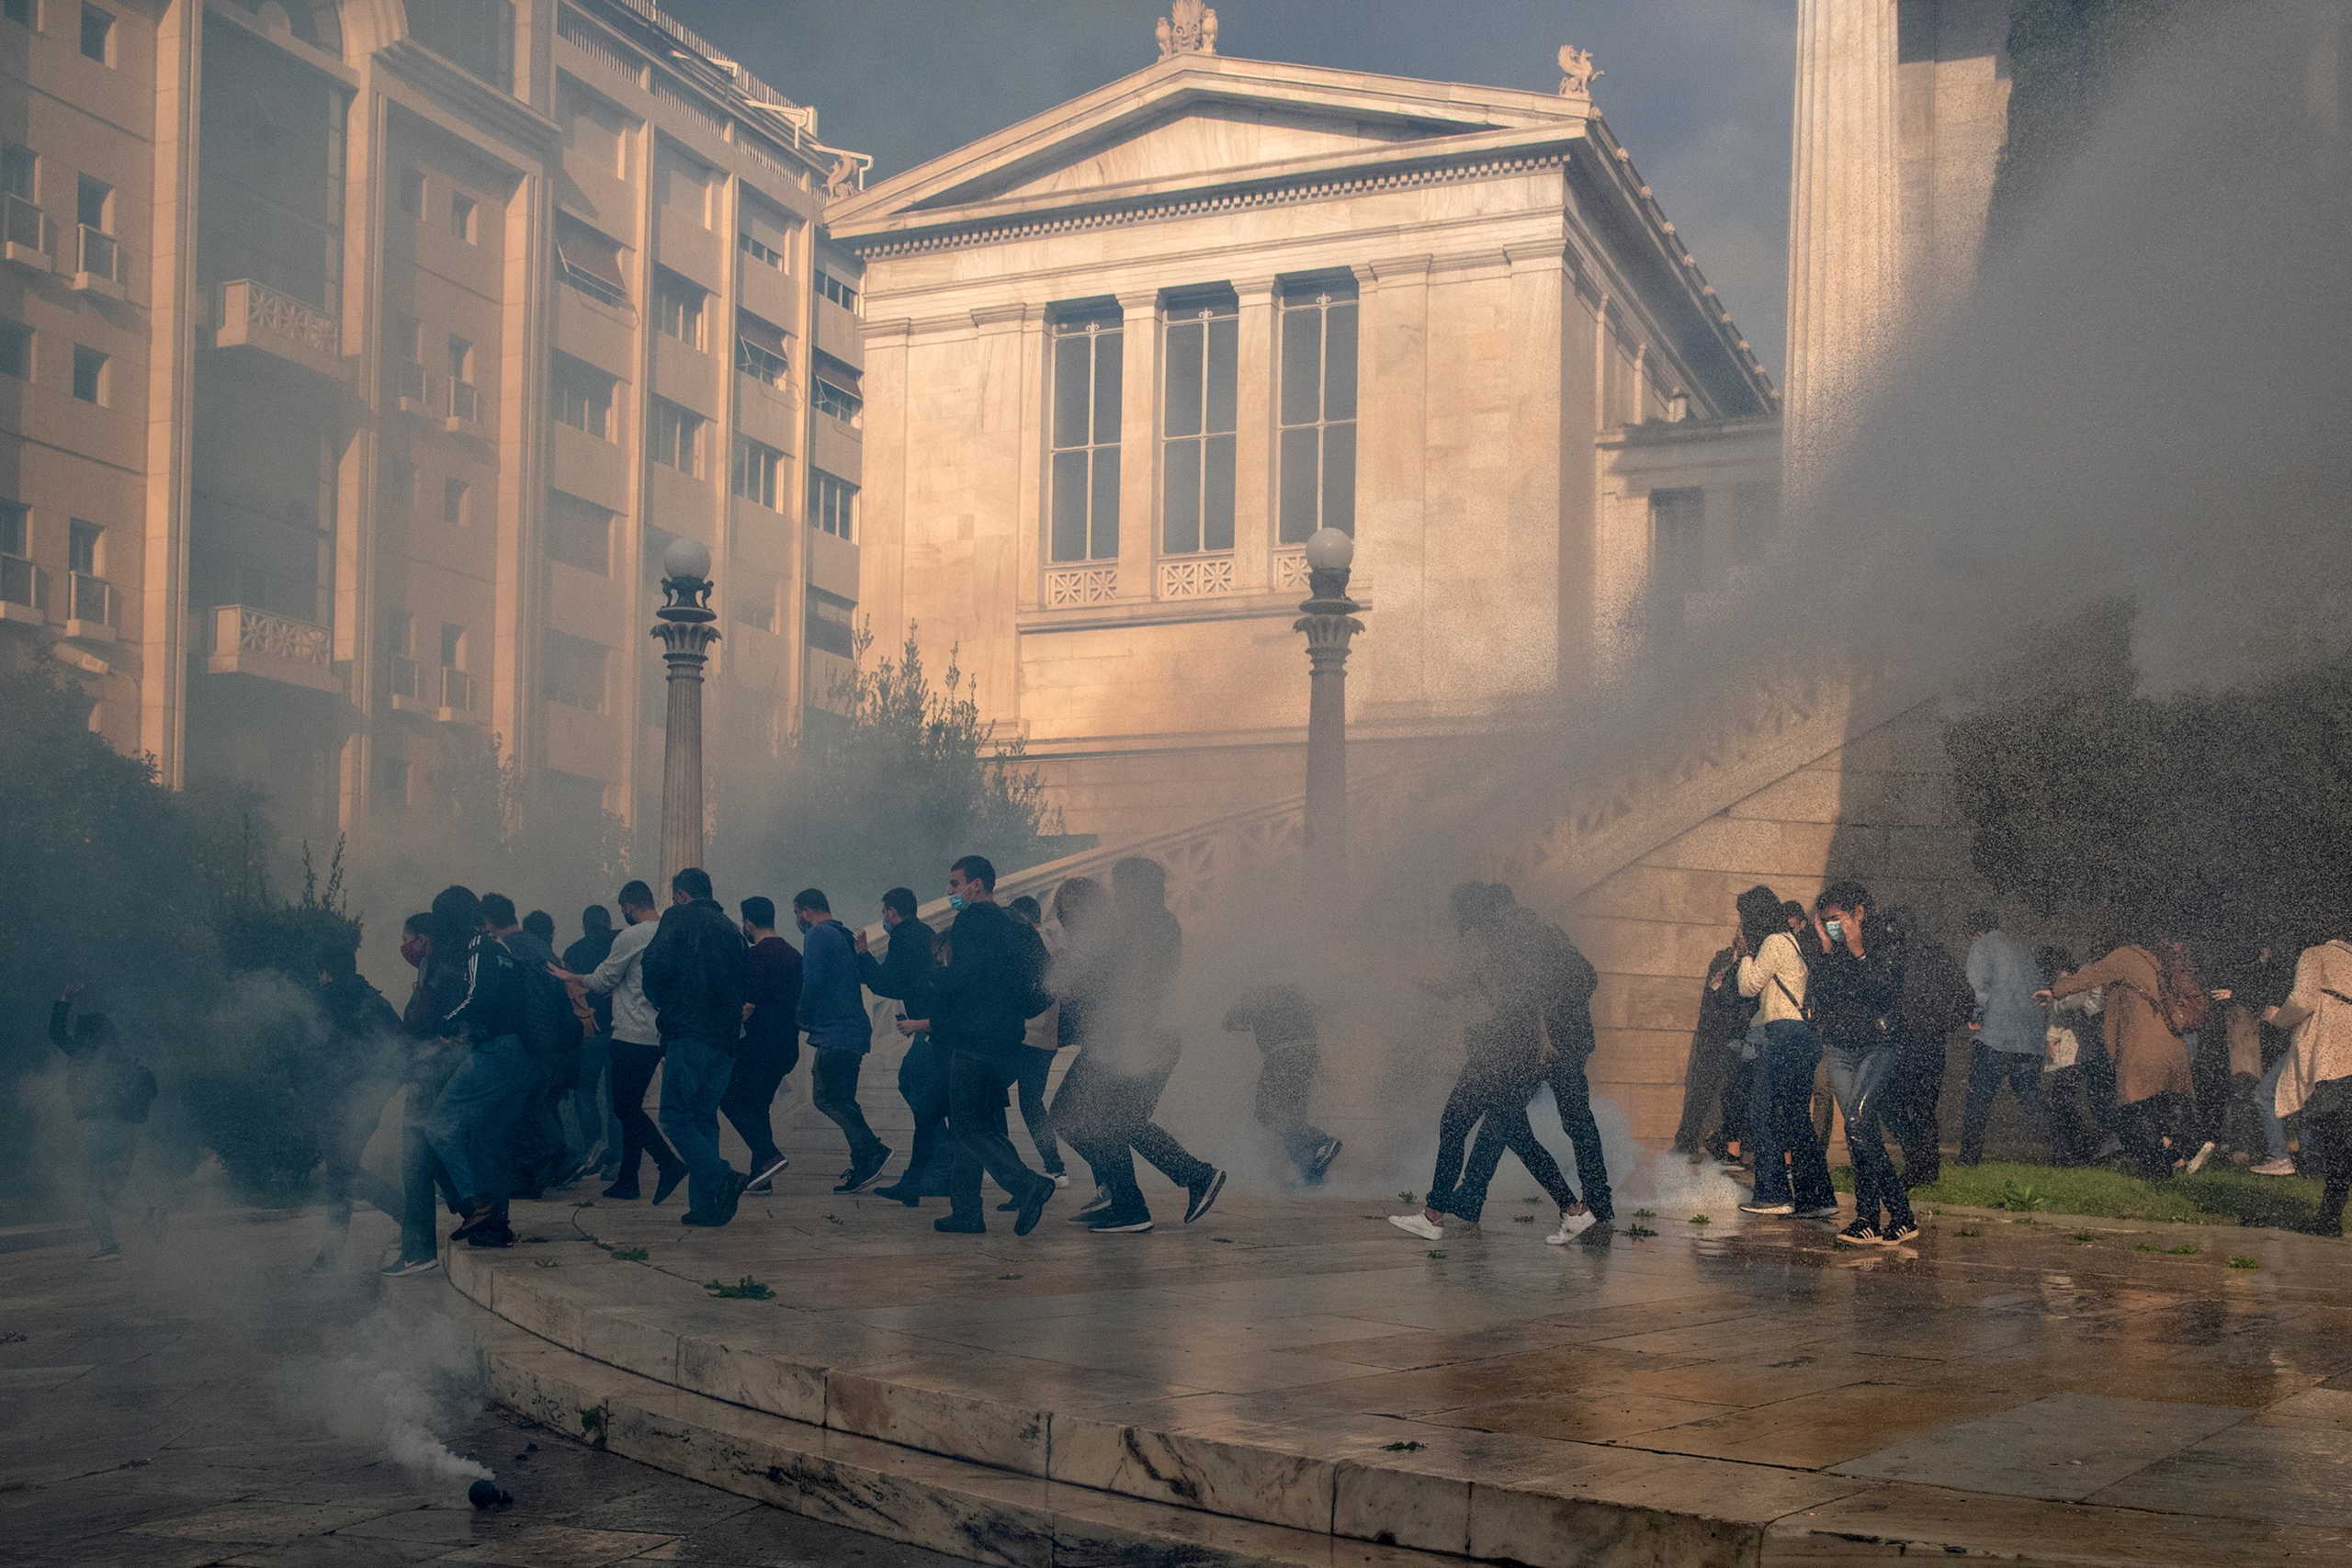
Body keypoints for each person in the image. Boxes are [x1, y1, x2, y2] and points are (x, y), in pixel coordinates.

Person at [1388, 882, 1588, 1245]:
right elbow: (1530, 991)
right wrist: (1541, 1037)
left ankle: (1433, 1216)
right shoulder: (1512, 938)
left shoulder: (1489, 940)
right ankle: (1572, 1209)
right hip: (1514, 1045)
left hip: (1498, 1047)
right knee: (1515, 1132)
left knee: (1455, 1123)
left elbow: (1459, 987)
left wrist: (1406, 978)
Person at [1061, 858, 1226, 1233]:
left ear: (1137, 888)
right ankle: (1133, 1193)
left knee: (1112, 1122)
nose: (1116, 895)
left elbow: (1126, 982)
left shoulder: (1147, 926)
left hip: (1139, 1039)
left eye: (1121, 887)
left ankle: (1139, 1203)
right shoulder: (1150, 924)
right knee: (1097, 1119)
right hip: (1131, 1037)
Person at [922, 854, 1057, 1236]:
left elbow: (964, 977)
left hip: (973, 1037)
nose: (950, 892)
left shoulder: (969, 922)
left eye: (954, 883)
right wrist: (1020, 1009)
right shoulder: (1018, 926)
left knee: (966, 1126)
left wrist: (934, 976)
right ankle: (966, 1211)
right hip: (1008, 1039)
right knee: (979, 1122)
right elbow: (1047, 983)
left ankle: (1027, 1183)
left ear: (976, 885)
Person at [554, 881, 685, 1204]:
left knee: (625, 1107)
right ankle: (628, 1180)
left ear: (627, 906)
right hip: (659, 1032)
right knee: (632, 1105)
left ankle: (667, 1162)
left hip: (630, 1033)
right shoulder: (671, 931)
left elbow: (603, 980)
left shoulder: (632, 936)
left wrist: (571, 978)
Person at [421, 885, 535, 1248]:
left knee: (439, 1126)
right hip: (521, 1052)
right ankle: (493, 1228)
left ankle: (476, 1204)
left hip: (497, 1051)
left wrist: (441, 1024)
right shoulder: (500, 947)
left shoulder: (476, 949)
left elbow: (478, 998)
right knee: (488, 1140)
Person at [640, 868, 751, 1225]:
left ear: (682, 895)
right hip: (726, 1038)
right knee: (703, 1117)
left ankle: (722, 1177)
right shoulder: (732, 929)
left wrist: (665, 1005)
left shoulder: (678, 917)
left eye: (674, 897)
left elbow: (654, 966)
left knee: (674, 1116)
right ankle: (707, 1206)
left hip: (688, 1032)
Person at [1808, 883, 1917, 1245]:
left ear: (1859, 914)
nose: (1833, 927)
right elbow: (1821, 998)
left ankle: (1900, 1214)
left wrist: (1859, 953)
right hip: (1839, 1049)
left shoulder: (1885, 944)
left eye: (1837, 920)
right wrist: (1826, 949)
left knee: (1857, 1121)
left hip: (1878, 1046)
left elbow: (1886, 993)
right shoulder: (1831, 953)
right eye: (1826, 922)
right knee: (1860, 1134)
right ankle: (1869, 1218)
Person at [2041, 942, 2195, 1183]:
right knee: (2152, 1108)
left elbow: (2091, 976)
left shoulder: (2124, 957)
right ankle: (2172, 1154)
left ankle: (2157, 1166)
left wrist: (2055, 991)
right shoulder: (2150, 961)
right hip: (2169, 1047)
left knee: (2128, 1110)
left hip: (2143, 1049)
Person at [1733, 884, 1838, 1220]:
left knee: (1762, 1111)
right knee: (1795, 1117)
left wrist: (1745, 954)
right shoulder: (1792, 941)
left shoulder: (1773, 942)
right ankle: (1817, 1198)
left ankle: (1773, 1193)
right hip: (1801, 1036)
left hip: (1784, 1035)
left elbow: (1748, 986)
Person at [308, 941, 402, 1271]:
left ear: (325, 973)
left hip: (336, 1104)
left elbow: (310, 1055)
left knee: (342, 1173)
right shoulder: (374, 1002)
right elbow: (399, 1051)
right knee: (341, 1174)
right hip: (363, 1102)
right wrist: (379, 1093)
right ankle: (329, 1255)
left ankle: (408, 1215)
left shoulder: (325, 1002)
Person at [48, 983, 157, 1260]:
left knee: (91, 1191)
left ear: (86, 1035)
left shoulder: (86, 1055)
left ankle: (109, 1247)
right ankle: (148, 1214)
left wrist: (64, 1001)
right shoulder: (126, 1060)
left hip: (100, 1128)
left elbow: (56, 1033)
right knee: (109, 1189)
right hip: (129, 1132)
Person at [794, 888, 892, 1194]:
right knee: (843, 1099)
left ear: (806, 911)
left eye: (797, 914)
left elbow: (813, 979)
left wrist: (800, 1014)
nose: (798, 920)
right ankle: (864, 1164)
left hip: (835, 1032)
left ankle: (873, 1150)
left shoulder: (818, 935)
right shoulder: (842, 933)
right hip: (853, 1030)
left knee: (826, 1098)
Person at [483, 894, 578, 1196]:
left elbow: (529, 1002)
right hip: (554, 1038)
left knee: (525, 1106)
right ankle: (543, 1170)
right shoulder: (538, 946)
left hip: (533, 1040)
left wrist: (528, 1039)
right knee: (536, 1103)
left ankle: (558, 1158)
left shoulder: (511, 950)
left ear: (489, 923)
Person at [385, 912, 462, 1277]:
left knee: (414, 1161)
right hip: (440, 1072)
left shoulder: (435, 969)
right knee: (431, 1155)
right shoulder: (452, 965)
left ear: (424, 939)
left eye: (407, 938)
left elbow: (423, 1024)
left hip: (429, 1075)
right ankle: (474, 1210)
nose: (406, 947)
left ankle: (418, 1250)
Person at [859, 889, 944, 1206]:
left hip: (929, 1027)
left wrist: (863, 955)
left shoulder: (903, 936)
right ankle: (932, 1169)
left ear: (893, 913)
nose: (884, 919)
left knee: (915, 1088)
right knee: (920, 1091)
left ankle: (929, 1171)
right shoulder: (926, 932)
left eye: (884, 913)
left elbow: (888, 983)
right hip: (932, 1023)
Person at [2266, 931, 2352, 1235]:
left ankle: (2328, 1218)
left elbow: (2302, 1001)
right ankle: (2329, 1217)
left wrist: (2277, 1017)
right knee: (2342, 1140)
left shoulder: (2315, 954)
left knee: (2335, 1139)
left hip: (2329, 1054)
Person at [1959, 910, 2054, 1166]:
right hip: (2029, 1038)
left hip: (1996, 1036)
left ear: (1974, 932)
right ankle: (2064, 1149)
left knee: (1978, 1098)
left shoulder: (1982, 946)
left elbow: (1977, 989)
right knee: (2030, 1096)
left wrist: (1975, 1017)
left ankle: (1969, 1159)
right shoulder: (2021, 948)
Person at [1886, 908, 1973, 1186]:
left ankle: (1919, 1162)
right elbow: (1964, 996)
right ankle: (1926, 1165)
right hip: (1929, 1040)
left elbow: (1963, 996)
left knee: (1899, 1104)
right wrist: (1944, 1023)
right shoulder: (1936, 956)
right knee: (1922, 1107)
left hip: (1909, 1039)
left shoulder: (1898, 957)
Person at [1224, 982, 1341, 1186]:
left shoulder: (1256, 994)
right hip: (1307, 1057)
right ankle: (1311, 1177)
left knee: (1265, 1113)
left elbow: (1231, 1023)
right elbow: (1318, 1011)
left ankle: (1322, 1141)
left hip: (1282, 1055)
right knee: (1293, 1118)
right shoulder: (1292, 993)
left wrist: (1241, 1007)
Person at [721, 896, 801, 1194]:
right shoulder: (794, 954)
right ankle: (761, 1175)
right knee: (758, 1104)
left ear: (748, 923)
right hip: (787, 1046)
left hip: (758, 1045)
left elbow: (747, 1005)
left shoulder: (756, 956)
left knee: (728, 1095)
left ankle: (768, 1154)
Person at [1004, 895, 1070, 1190]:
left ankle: (1003, 1162)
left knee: (994, 1093)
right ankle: (1053, 1167)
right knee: (1030, 1101)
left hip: (1026, 1032)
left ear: (1020, 917)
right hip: (1046, 1036)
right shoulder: (1053, 940)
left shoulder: (1031, 940)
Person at [1672, 942, 1754, 1164]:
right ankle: (1687, 1139)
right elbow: (1716, 994)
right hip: (1715, 1036)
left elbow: (1737, 998)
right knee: (1702, 1090)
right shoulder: (1724, 959)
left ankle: (1728, 1144)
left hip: (1738, 1036)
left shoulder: (1752, 961)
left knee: (1734, 1095)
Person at [560, 905, 622, 1180]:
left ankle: (595, 1145)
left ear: (584, 925)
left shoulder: (573, 952)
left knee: (585, 1091)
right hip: (621, 1030)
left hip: (589, 1032)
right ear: (608, 922)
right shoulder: (619, 943)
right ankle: (617, 1160)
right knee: (617, 1097)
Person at [2039, 945, 2109, 1165]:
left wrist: (2054, 1000)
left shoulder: (2080, 977)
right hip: (2078, 1046)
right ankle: (2079, 1147)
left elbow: (2071, 1005)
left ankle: (2078, 1148)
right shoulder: (2089, 974)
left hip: (2075, 1047)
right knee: (2073, 1097)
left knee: (2066, 1098)